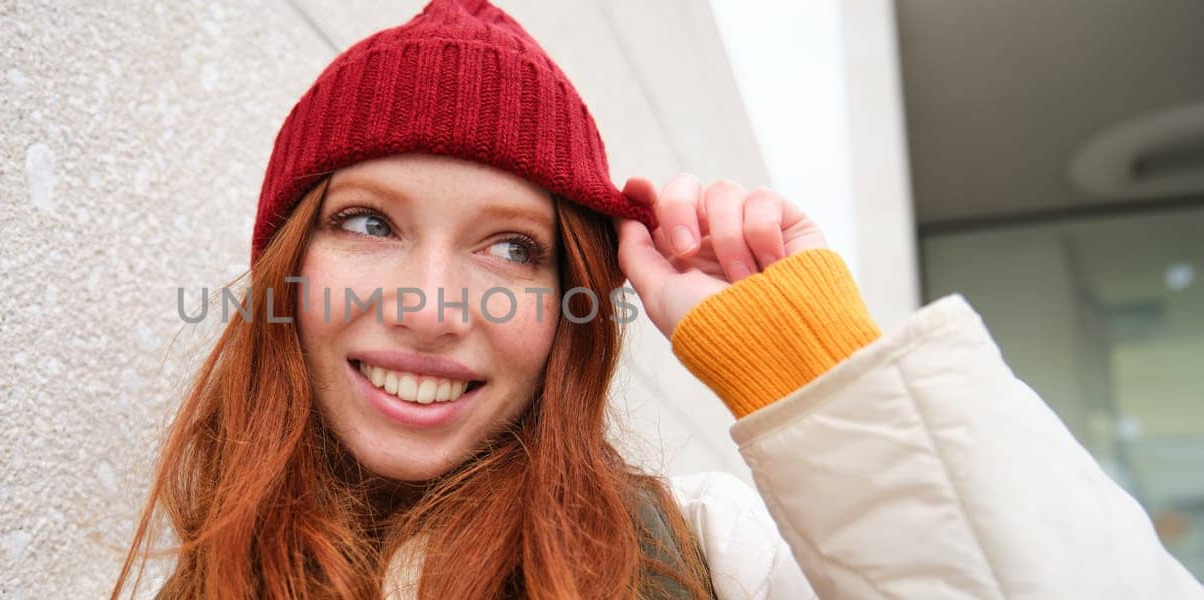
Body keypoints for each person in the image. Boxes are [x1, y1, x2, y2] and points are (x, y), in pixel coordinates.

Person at [113, 1, 1204, 598]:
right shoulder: (186, 583)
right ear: (285, 275)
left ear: (572, 310)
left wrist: (818, 374)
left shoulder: (707, 557)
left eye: (511, 249)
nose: (435, 305)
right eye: (367, 222)